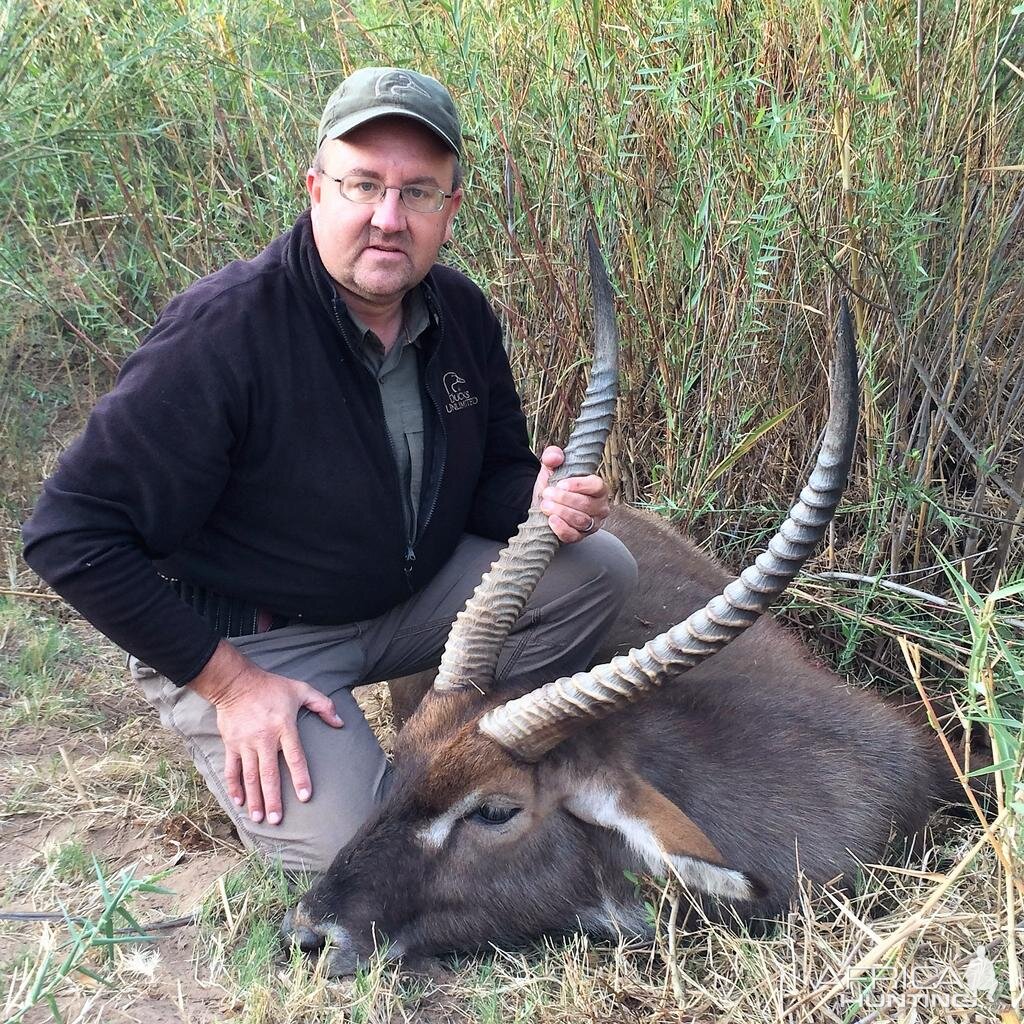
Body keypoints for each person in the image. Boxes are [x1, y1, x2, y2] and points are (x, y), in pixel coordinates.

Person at [22, 67, 636, 872]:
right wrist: (233, 685)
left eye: (418, 192)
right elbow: (70, 535)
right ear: (316, 190)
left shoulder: (460, 313)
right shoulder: (225, 332)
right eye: (363, 186)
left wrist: (538, 497)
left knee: (596, 568)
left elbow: (493, 479)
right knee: (365, 859)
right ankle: (234, 721)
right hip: (258, 642)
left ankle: (457, 742)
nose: (388, 218)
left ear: (450, 211)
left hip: (399, 603)